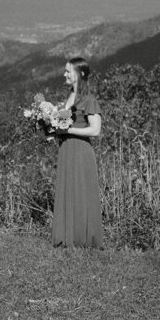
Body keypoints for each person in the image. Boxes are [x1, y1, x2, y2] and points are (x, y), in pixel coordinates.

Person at [46, 57, 103, 248]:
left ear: (79, 74)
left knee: (81, 190)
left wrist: (67, 131)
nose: (64, 74)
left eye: (68, 71)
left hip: (80, 150)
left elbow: (95, 130)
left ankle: (82, 238)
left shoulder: (89, 99)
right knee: (68, 188)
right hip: (66, 148)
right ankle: (67, 236)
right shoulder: (69, 96)